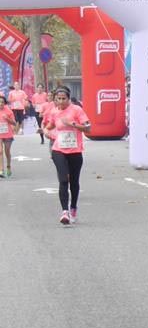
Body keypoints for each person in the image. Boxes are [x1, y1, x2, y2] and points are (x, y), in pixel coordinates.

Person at [41, 87, 91, 225]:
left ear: (69, 99)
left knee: (74, 182)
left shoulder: (76, 110)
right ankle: (65, 212)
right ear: (55, 99)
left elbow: (88, 127)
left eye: (64, 99)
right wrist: (45, 131)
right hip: (59, 150)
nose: (61, 101)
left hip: (75, 151)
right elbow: (50, 125)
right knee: (63, 180)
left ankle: (73, 207)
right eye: (58, 99)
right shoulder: (54, 111)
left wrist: (72, 124)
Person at [0, 95, 15, 177]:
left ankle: (8, 166)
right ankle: (1, 170)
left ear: (4, 103)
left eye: (2, 102)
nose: (0, 103)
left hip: (8, 134)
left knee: (7, 152)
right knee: (0, 151)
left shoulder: (8, 111)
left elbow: (14, 123)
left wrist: (7, 119)